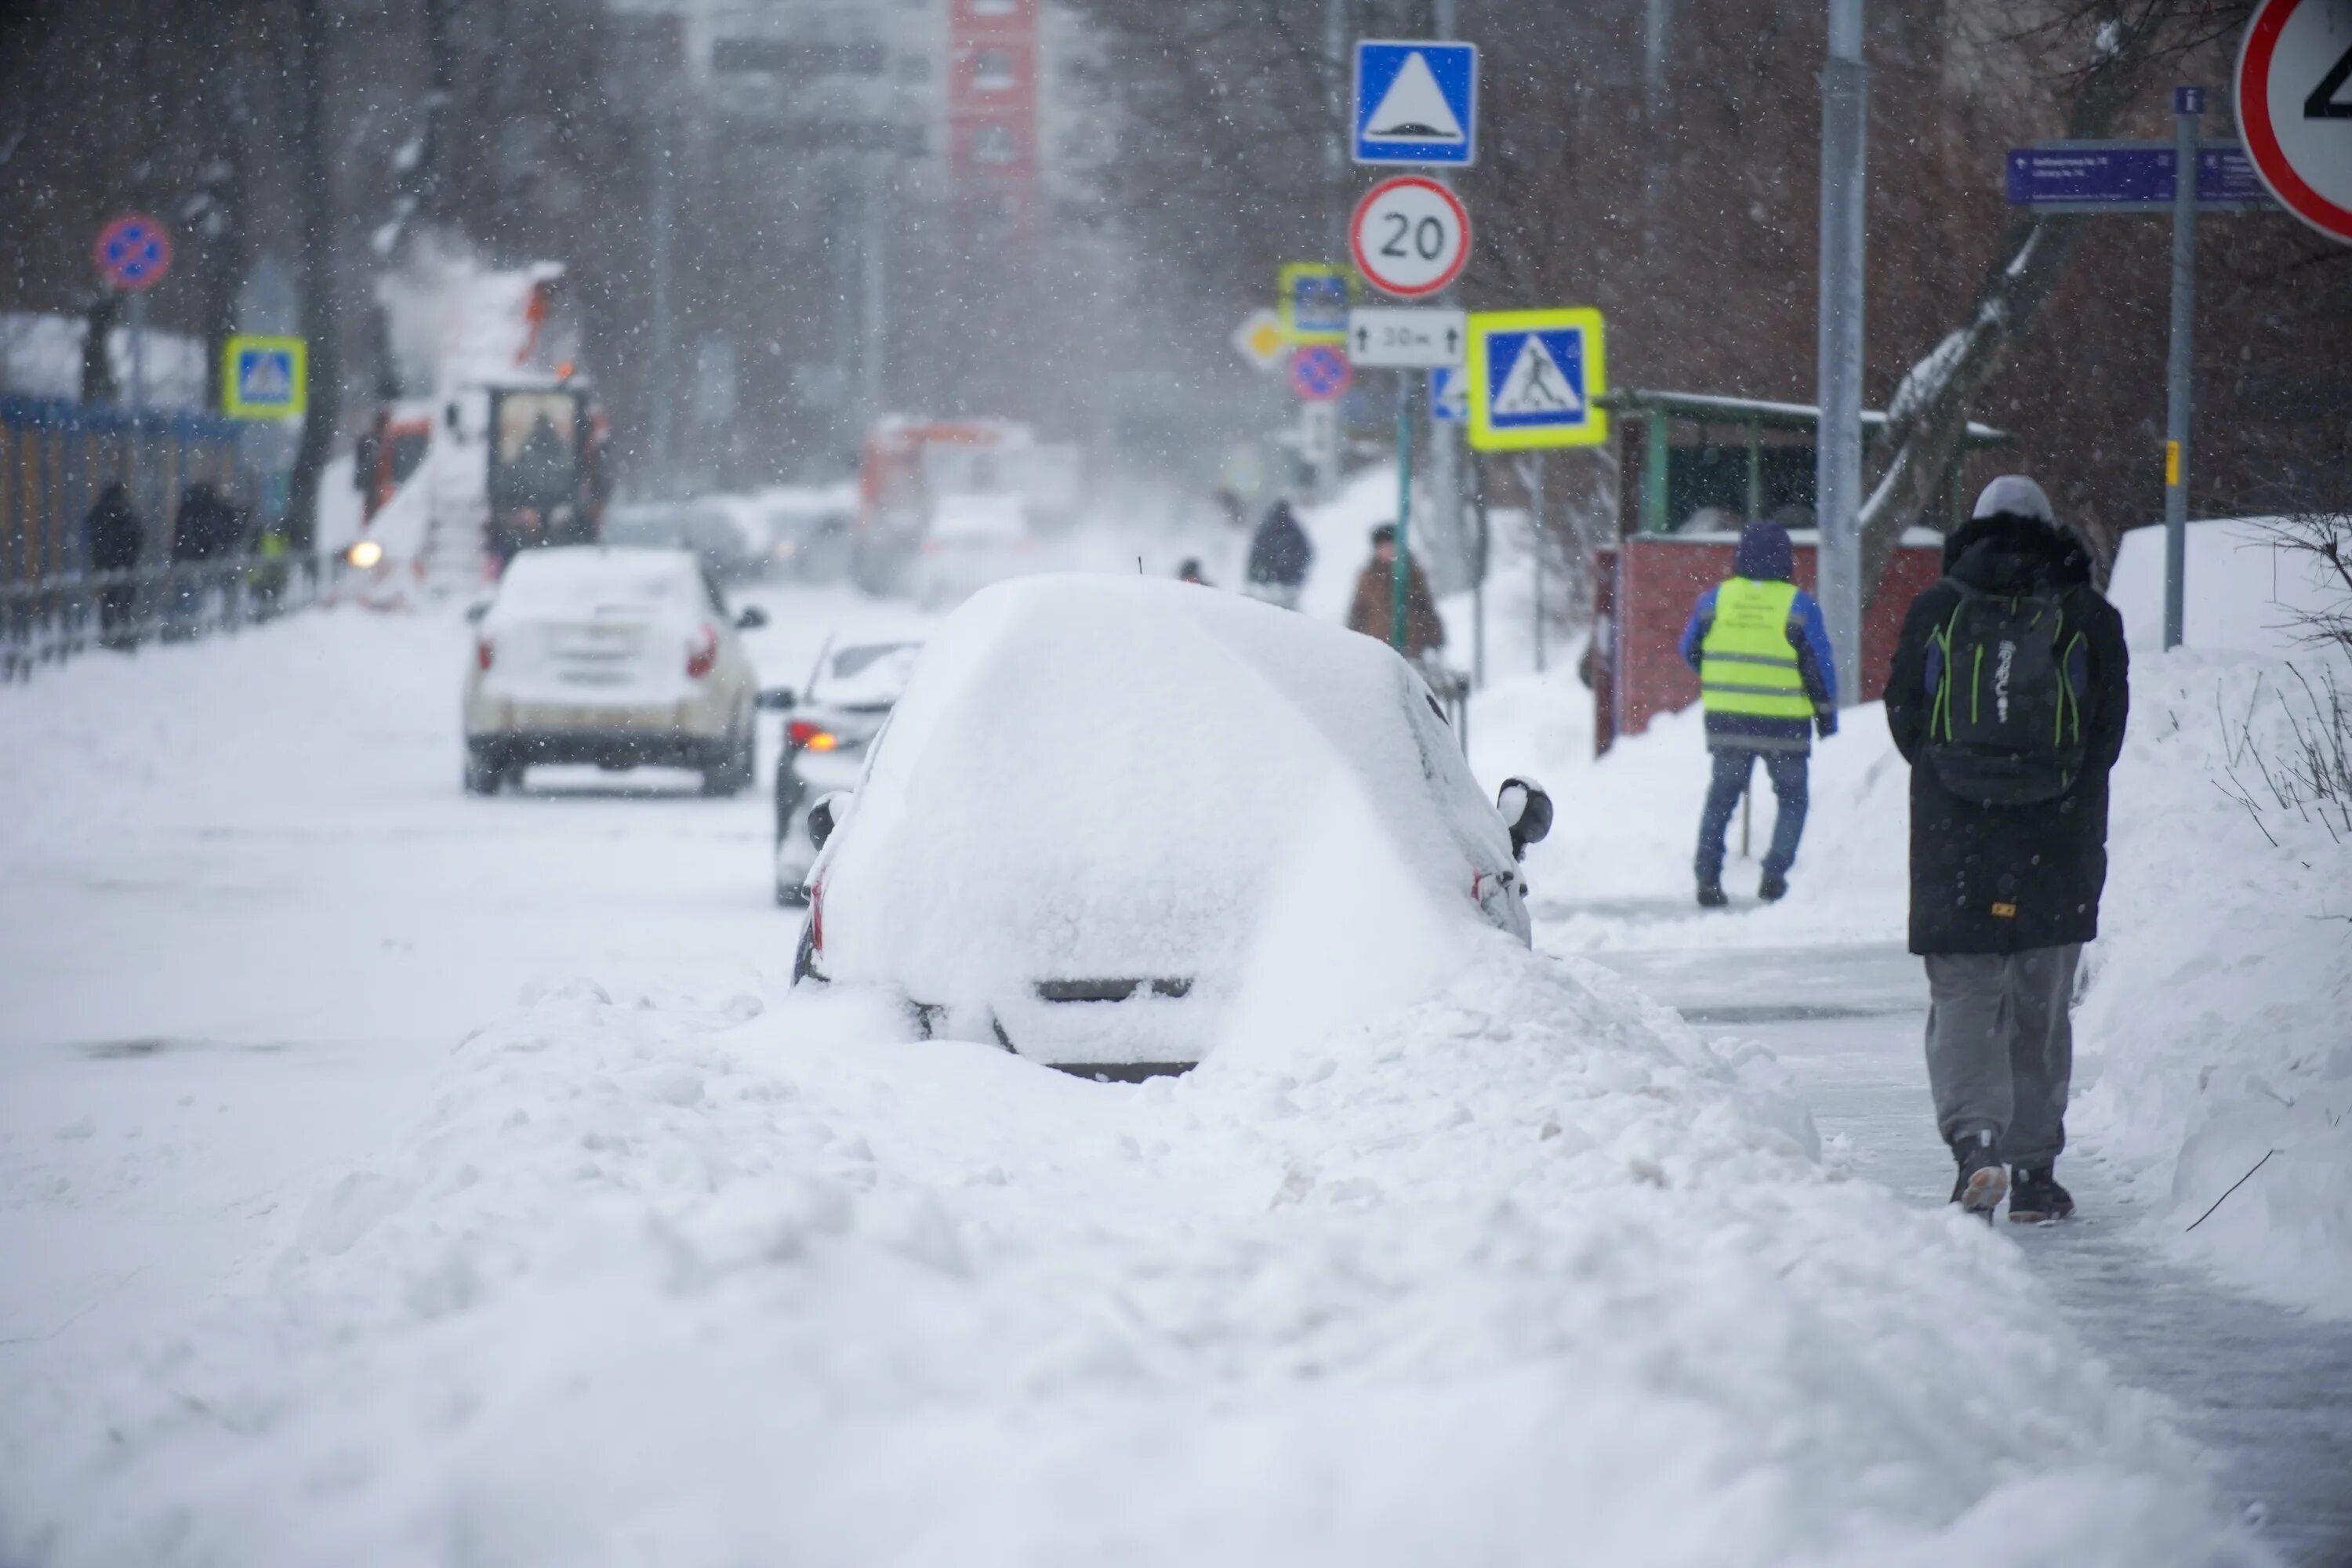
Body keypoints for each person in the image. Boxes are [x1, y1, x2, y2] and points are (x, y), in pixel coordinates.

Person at [1886, 475, 2128, 1222]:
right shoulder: (2088, 616)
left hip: (1956, 837)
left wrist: (1957, 778)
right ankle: (2035, 1175)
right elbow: (2105, 735)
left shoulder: (1937, 609)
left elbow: (1906, 718)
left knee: (1964, 997)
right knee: (2040, 1003)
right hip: (2055, 840)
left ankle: (1975, 1146)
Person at [1678, 518, 1838, 908]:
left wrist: (1721, 676)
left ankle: (1708, 878)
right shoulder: (1798, 605)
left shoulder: (1714, 600)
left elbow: (1689, 650)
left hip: (1728, 721)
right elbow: (1819, 667)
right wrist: (1825, 716)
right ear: (1786, 559)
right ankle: (1774, 876)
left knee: (1721, 799)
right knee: (1793, 799)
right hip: (1784, 723)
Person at [1345, 522, 1444, 659]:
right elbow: (1358, 610)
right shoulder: (1368, 576)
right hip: (1379, 646)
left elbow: (1425, 606)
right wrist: (1351, 639)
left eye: (1390, 545)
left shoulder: (1412, 572)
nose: (1387, 550)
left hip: (1412, 645)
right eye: (1383, 547)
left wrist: (1435, 637)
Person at [82, 480, 144, 644]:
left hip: (107, 565)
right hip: (126, 565)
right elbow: (138, 535)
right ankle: (126, 638)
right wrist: (131, 557)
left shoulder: (99, 512)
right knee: (125, 603)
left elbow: (91, 534)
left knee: (108, 601)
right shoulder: (126, 511)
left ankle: (109, 637)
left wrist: (100, 558)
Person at [1244, 499, 1313, 608]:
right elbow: (1307, 553)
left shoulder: (1265, 529)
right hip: (1286, 584)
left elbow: (1255, 555)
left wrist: (1253, 576)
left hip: (1265, 584)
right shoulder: (1295, 531)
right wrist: (1296, 576)